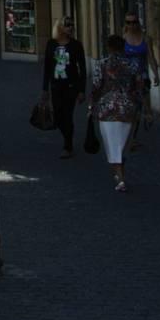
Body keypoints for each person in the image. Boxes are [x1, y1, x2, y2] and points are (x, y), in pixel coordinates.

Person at [91, 34, 146, 192]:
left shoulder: (102, 64)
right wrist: (142, 108)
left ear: (108, 47)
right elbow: (139, 87)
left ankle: (119, 177)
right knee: (121, 145)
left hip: (107, 109)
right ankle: (120, 174)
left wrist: (91, 105)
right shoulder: (132, 65)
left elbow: (96, 87)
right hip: (127, 109)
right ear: (123, 48)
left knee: (112, 145)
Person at [41, 16, 87, 158]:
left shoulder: (76, 45)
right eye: (67, 25)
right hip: (55, 86)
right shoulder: (51, 44)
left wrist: (81, 90)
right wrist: (44, 89)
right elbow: (47, 67)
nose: (71, 27)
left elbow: (83, 69)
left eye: (72, 25)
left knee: (68, 115)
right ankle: (68, 138)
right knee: (58, 117)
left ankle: (68, 145)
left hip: (71, 85)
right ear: (60, 27)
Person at [121, 12, 158, 149]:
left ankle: (133, 137)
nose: (131, 25)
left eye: (134, 22)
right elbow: (118, 60)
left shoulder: (146, 39)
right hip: (128, 79)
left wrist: (156, 74)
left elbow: (151, 57)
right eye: (128, 22)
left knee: (139, 109)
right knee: (131, 109)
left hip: (143, 78)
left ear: (138, 23)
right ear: (125, 24)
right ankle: (130, 138)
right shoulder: (123, 39)